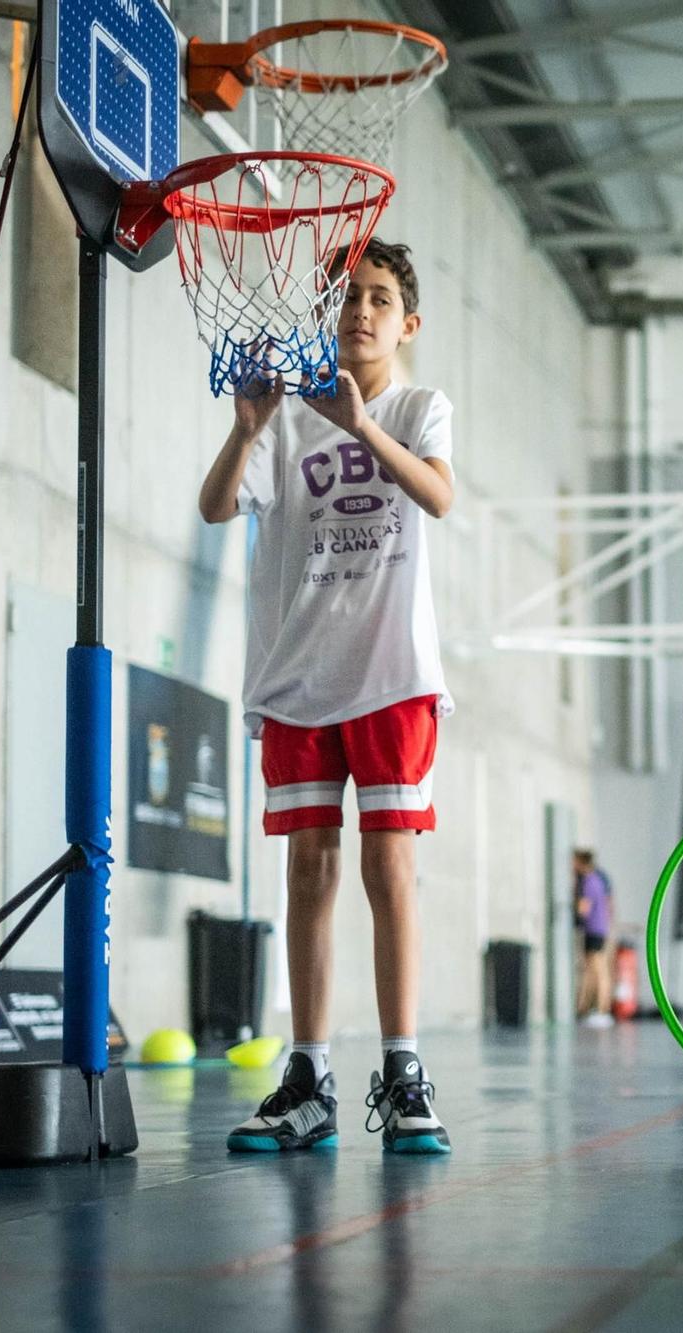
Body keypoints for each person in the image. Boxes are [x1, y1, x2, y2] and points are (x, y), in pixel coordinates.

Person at [198, 240, 455, 1155]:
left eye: (380, 298)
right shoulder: (288, 417)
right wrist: (246, 426)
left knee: (390, 872)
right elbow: (217, 507)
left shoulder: (420, 407)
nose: (361, 311)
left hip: (390, 676)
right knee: (310, 871)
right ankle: (309, 1076)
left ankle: (404, 1068)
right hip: (302, 676)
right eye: (349, 297)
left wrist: (364, 427)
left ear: (406, 323)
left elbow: (437, 496)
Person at [574, 849, 615, 1027]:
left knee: (597, 969)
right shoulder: (598, 880)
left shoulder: (589, 882)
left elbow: (584, 908)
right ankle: (591, 1008)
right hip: (599, 928)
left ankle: (602, 1009)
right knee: (594, 969)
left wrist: (575, 910)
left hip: (593, 930)